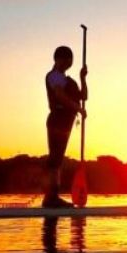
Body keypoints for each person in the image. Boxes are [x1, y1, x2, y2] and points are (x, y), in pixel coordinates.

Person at [43, 46, 87, 208]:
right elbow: (60, 96)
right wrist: (78, 108)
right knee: (55, 159)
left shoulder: (69, 80)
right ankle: (51, 198)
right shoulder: (54, 76)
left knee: (58, 160)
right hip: (57, 120)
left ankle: (52, 198)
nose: (69, 63)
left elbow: (84, 96)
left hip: (66, 122)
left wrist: (82, 78)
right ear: (58, 59)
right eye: (67, 60)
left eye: (71, 61)